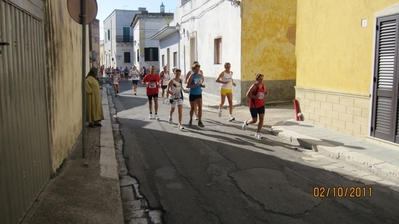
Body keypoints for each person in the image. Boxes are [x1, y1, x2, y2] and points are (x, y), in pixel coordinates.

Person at [242, 74, 269, 139]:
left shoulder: (263, 85)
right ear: (257, 79)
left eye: (262, 79)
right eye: (260, 79)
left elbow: (264, 92)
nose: (261, 80)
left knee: (262, 118)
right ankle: (246, 122)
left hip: (261, 104)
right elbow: (247, 95)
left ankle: (258, 132)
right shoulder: (254, 86)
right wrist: (255, 97)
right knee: (254, 120)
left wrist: (266, 93)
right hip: (253, 105)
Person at [186, 63, 205, 127]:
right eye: (196, 69)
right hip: (192, 94)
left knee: (200, 107)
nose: (197, 70)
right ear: (193, 69)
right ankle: (190, 119)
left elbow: (199, 83)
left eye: (198, 69)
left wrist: (202, 85)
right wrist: (194, 85)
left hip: (199, 93)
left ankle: (200, 121)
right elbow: (187, 85)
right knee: (193, 108)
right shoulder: (191, 76)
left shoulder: (200, 76)